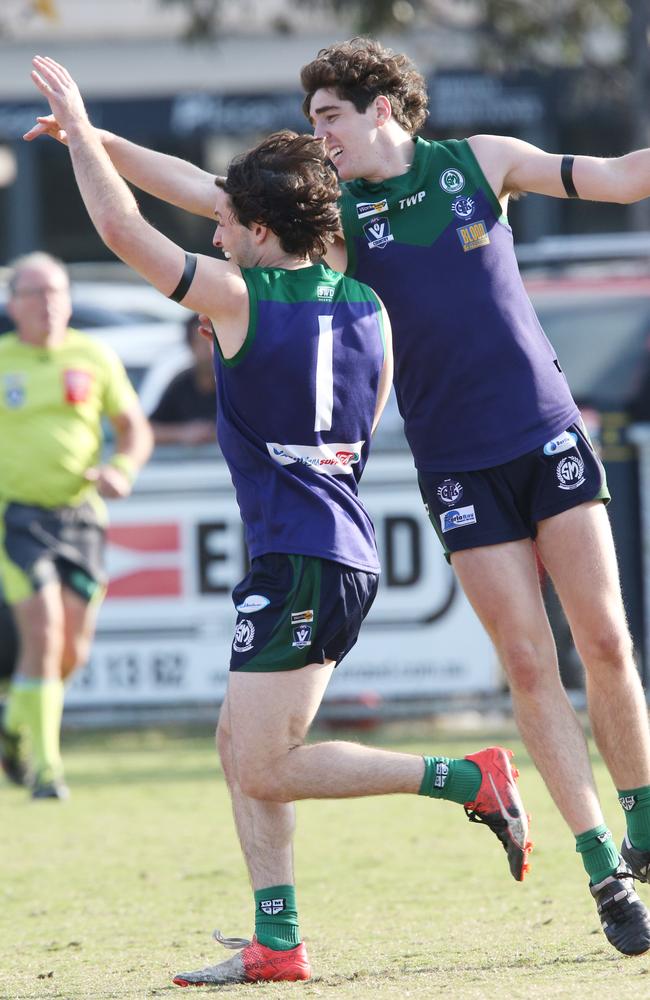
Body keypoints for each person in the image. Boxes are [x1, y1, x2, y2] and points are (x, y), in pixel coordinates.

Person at [25, 37, 650, 957]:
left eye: (328, 118)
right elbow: (209, 193)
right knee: (526, 660)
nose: (319, 137)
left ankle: (641, 827)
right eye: (312, 120)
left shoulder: (480, 163)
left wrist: (87, 135)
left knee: (605, 640)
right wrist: (93, 135)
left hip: (546, 428)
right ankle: (602, 867)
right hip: (453, 463)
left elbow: (624, 177)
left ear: (381, 110)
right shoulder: (333, 219)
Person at [0, 251, 153, 799]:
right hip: (17, 518)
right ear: (14, 305)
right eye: (36, 294)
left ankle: (14, 720)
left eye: (57, 292)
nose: (48, 304)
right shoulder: (3, 359)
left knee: (72, 651)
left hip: (82, 516)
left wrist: (121, 468)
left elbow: (133, 429)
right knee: (43, 632)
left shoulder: (94, 355)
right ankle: (47, 772)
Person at [149, 311, 217, 446]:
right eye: (202, 342)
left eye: (214, 342)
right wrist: (183, 433)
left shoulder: (236, 386)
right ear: (190, 345)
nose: (208, 350)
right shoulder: (181, 385)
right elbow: (147, 431)